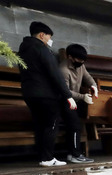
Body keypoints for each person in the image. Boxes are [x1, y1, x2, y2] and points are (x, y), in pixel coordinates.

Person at [18, 21, 77, 167]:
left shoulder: (23, 50)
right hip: (46, 94)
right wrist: (68, 96)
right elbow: (55, 74)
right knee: (51, 124)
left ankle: (42, 157)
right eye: (48, 37)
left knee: (39, 124)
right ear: (41, 35)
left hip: (29, 93)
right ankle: (48, 158)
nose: (49, 41)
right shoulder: (41, 49)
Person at [59, 44, 95, 163]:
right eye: (80, 59)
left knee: (75, 125)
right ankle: (75, 155)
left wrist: (94, 86)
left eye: (83, 60)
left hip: (76, 101)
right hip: (65, 101)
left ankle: (71, 154)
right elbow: (65, 91)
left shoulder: (81, 66)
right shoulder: (63, 69)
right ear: (70, 57)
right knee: (75, 126)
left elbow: (87, 77)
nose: (82, 62)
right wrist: (82, 96)